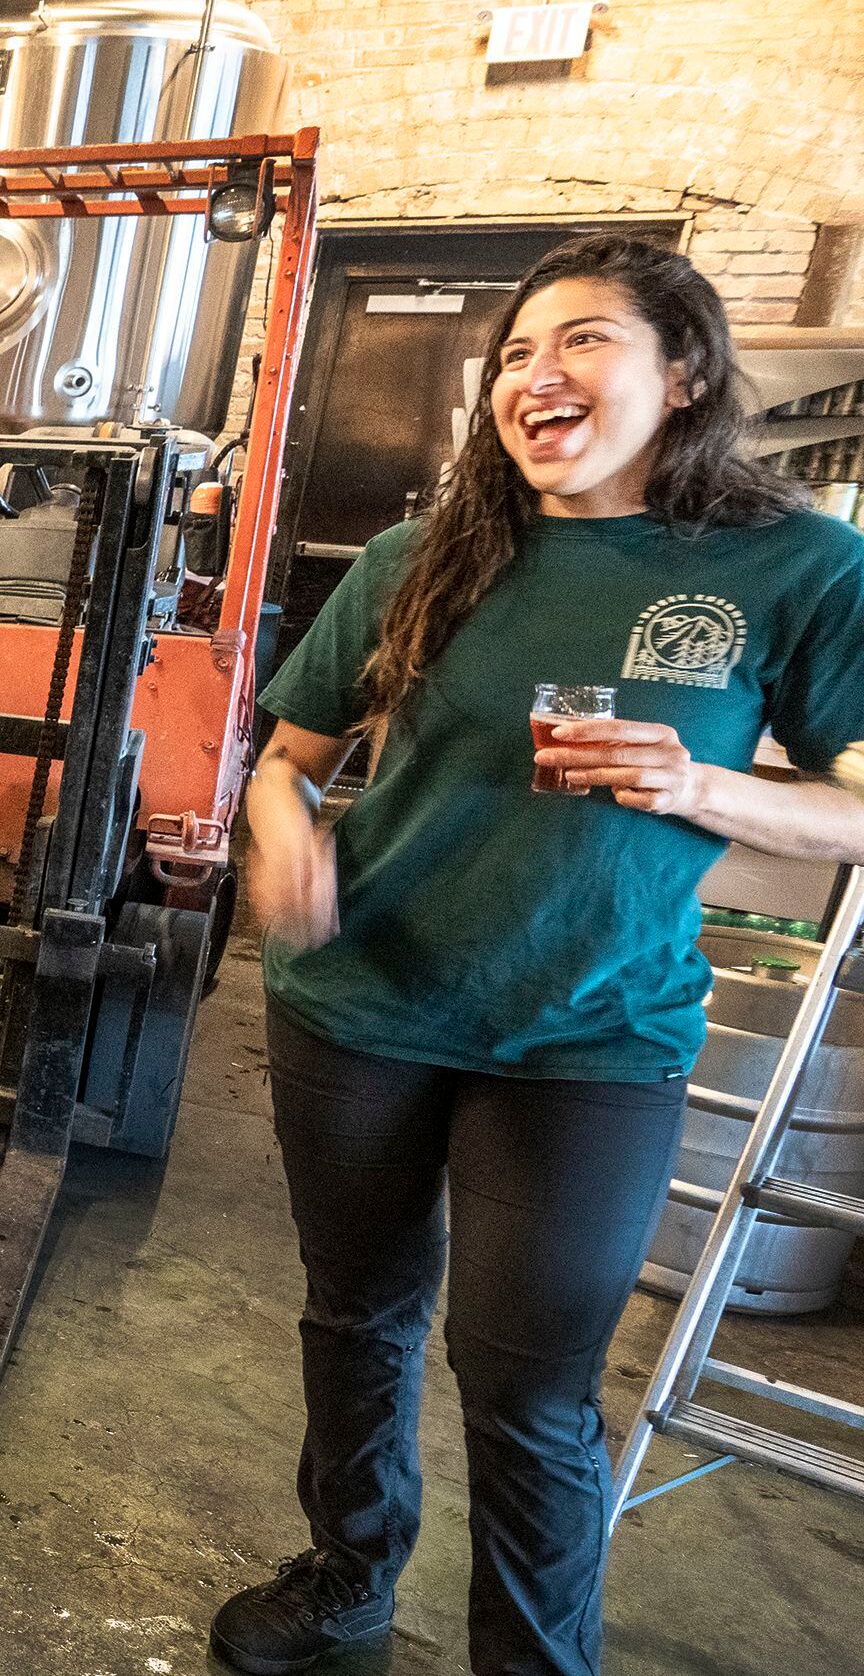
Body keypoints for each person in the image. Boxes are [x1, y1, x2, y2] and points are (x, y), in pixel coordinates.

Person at [214, 233, 864, 1676]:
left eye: (581, 341)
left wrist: (706, 786)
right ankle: (347, 1571)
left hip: (591, 1031)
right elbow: (287, 756)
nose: (534, 373)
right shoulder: (421, 552)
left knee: (528, 1385)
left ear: (684, 372)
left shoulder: (797, 564)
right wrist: (287, 832)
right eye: (514, 351)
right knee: (359, 1317)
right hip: (363, 1004)